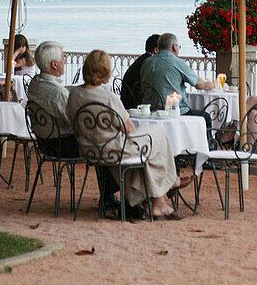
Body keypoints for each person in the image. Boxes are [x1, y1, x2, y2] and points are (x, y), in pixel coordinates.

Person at [66, 49, 192, 220]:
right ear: (106, 71)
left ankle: (159, 203)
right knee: (157, 134)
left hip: (90, 150)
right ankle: (171, 183)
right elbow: (129, 129)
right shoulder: (107, 97)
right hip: (114, 150)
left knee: (148, 151)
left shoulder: (73, 94)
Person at [28, 42, 120, 212]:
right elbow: (77, 123)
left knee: (102, 141)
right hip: (62, 145)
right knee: (104, 143)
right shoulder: (57, 93)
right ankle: (109, 196)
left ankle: (109, 195)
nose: (65, 61)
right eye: (63, 58)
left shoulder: (36, 83)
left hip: (45, 142)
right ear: (54, 64)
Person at [140, 32, 215, 126]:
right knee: (206, 117)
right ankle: (207, 141)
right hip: (174, 112)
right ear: (174, 47)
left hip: (151, 111)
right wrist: (209, 85)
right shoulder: (176, 62)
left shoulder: (146, 63)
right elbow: (199, 84)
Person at [119, 34, 160, 110]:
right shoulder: (150, 63)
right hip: (136, 104)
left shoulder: (141, 60)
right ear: (156, 50)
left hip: (126, 100)